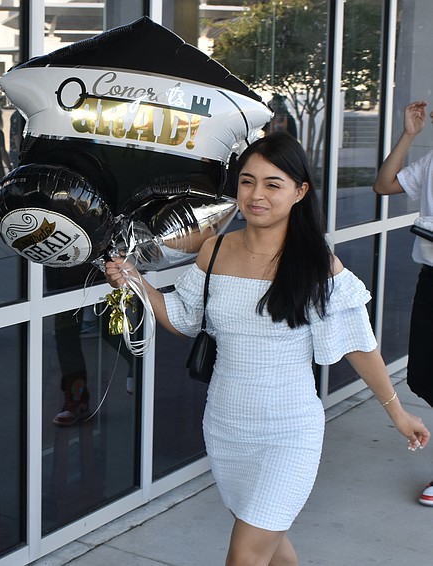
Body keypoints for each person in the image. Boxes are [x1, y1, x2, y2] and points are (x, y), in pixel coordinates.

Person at [105, 132, 429, 566]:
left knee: (245, 556)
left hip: (289, 433)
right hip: (226, 427)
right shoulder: (215, 250)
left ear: (299, 192)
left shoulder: (316, 265)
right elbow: (183, 318)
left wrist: (397, 411)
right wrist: (133, 279)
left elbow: (358, 344)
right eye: (247, 182)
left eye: (272, 184)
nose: (256, 195)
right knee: (271, 550)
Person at [373, 100, 433, 506]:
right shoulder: (432, 163)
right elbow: (384, 184)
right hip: (430, 279)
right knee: (423, 374)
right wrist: (409, 135)